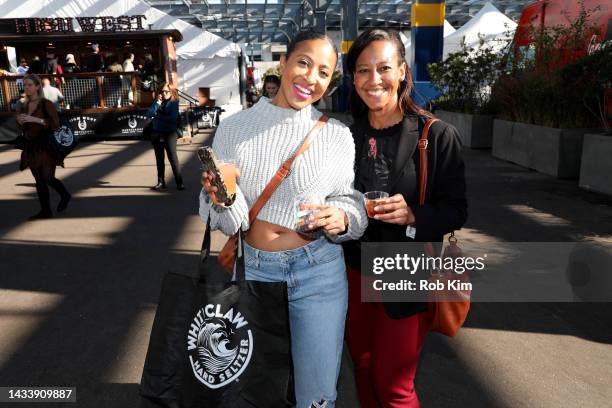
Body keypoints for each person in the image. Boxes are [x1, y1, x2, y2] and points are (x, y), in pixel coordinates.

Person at [199, 30, 368, 408]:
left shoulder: (337, 135)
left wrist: (342, 215)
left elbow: (349, 199)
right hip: (253, 272)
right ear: (285, 62)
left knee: (316, 396)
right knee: (252, 392)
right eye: (304, 63)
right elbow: (228, 222)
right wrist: (220, 199)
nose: (311, 78)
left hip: (319, 274)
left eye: (324, 73)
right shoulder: (235, 128)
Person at [342, 28, 468, 408]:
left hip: (405, 267)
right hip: (351, 268)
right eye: (362, 70)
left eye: (383, 68)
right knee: (362, 367)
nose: (373, 79)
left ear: (401, 71)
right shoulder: (344, 138)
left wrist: (413, 214)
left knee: (393, 384)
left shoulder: (437, 135)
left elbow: (456, 210)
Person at [16, 74, 71, 220]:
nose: (26, 87)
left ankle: (65, 195)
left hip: (46, 145)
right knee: (39, 180)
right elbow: (21, 125)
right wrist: (20, 121)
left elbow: (55, 124)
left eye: (29, 85)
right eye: (25, 85)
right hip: (31, 146)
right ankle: (45, 211)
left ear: (37, 86)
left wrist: (36, 119)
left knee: (47, 177)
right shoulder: (23, 105)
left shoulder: (46, 103)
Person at [147, 82, 184, 191]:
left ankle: (179, 182)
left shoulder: (174, 102)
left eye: (166, 91)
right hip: (157, 132)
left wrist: (157, 117)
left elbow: (171, 118)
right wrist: (157, 102)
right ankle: (160, 181)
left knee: (173, 158)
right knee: (159, 159)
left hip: (170, 132)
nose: (163, 93)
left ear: (171, 92)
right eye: (161, 91)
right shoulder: (158, 102)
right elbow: (149, 113)